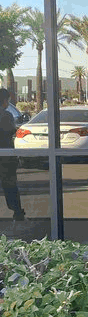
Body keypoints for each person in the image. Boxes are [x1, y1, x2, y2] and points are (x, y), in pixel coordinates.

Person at [0, 88, 24, 222]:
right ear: (5, 100)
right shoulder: (6, 115)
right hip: (5, 157)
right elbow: (9, 131)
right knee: (10, 186)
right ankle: (17, 213)